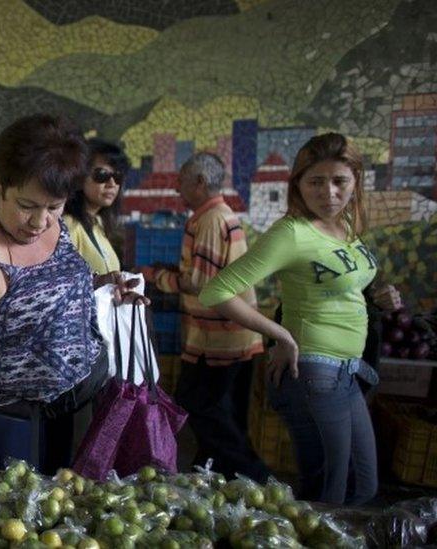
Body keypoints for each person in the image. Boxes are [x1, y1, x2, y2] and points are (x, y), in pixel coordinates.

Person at [0, 114, 140, 544]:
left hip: (69, 403)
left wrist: (103, 285)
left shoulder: (46, 215)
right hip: (11, 419)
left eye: (54, 207)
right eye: (27, 205)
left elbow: (49, 278)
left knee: (59, 518)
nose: (40, 222)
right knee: (15, 527)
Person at [199, 133, 402, 505]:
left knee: (363, 485)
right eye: (316, 182)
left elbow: (337, 289)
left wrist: (376, 299)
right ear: (298, 185)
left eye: (339, 181)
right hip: (314, 370)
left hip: (349, 370)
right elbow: (216, 292)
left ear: (356, 181)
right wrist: (281, 336)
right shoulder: (291, 233)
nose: (329, 193)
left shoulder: (347, 231)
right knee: (331, 491)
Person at [140, 152, 268, 481]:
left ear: (199, 182)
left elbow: (201, 283)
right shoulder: (217, 215)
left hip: (220, 339)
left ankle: (255, 475)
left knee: (199, 405)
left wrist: (156, 277)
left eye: (182, 181)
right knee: (221, 413)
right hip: (228, 337)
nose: (177, 188)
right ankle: (209, 474)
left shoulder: (211, 219)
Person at [63, 139, 126, 275]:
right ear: (80, 177)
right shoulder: (68, 225)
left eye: (117, 176)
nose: (112, 183)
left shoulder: (98, 222)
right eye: (102, 174)